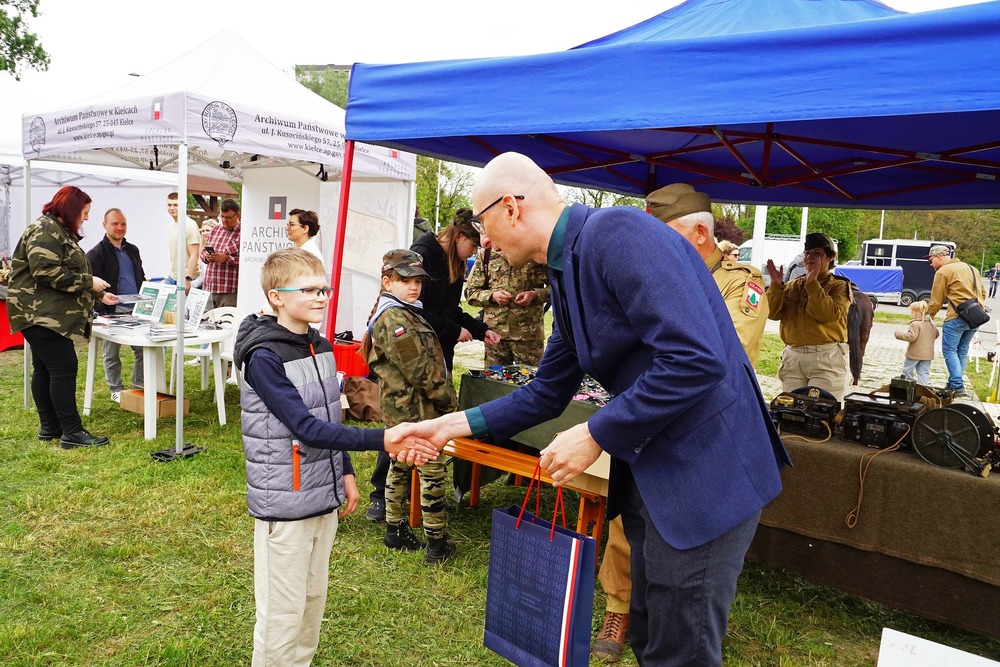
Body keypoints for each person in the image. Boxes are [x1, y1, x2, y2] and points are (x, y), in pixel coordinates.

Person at [391, 152, 789, 667]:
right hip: (655, 472)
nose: (483, 240)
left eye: (483, 223)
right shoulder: (568, 265)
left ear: (511, 207)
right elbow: (546, 391)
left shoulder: (617, 234)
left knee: (681, 651)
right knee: (650, 636)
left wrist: (596, 433)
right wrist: (448, 425)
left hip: (706, 476)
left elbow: (696, 360)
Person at [581, 183, 771, 663]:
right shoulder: (645, 270)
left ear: (700, 233)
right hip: (645, 430)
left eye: (661, 235)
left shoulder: (739, 282)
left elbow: (717, 353)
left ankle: (677, 623)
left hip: (699, 439)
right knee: (629, 533)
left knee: (684, 577)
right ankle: (620, 608)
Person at [231, 247, 438, 667]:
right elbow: (305, 428)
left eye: (323, 289)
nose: (321, 297)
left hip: (321, 495)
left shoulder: (320, 345)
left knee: (311, 600)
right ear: (276, 297)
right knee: (282, 613)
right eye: (308, 290)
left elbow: (329, 415)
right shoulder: (263, 357)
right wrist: (385, 439)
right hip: (286, 501)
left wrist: (343, 471)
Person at [365, 211, 500, 523]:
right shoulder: (424, 255)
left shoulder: (450, 262)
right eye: (473, 245)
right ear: (459, 237)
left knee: (422, 434)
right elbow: (419, 314)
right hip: (415, 365)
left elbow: (448, 309)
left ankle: (416, 498)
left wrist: (479, 329)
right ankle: (382, 497)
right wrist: (453, 332)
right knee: (400, 436)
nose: (475, 252)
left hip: (435, 352)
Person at [361, 249, 459, 565]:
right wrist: (449, 404)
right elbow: (421, 372)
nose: (414, 287)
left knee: (400, 465)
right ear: (387, 282)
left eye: (417, 280)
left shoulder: (404, 311)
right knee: (431, 473)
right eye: (405, 280)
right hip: (417, 410)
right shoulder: (394, 318)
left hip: (404, 409)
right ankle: (437, 544)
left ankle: (395, 530)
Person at [7, 186, 120, 448]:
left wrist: (97, 294)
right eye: (85, 212)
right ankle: (72, 432)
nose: (86, 218)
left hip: (44, 314)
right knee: (63, 368)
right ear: (71, 209)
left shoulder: (57, 230)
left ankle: (50, 427)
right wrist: (89, 281)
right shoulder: (46, 230)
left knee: (46, 369)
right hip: (40, 314)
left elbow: (62, 271)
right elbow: (45, 272)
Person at [766, 232, 853, 401]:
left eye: (817, 254)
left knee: (823, 411)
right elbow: (772, 313)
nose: (810, 258)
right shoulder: (793, 285)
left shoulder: (839, 286)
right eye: (807, 253)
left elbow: (826, 315)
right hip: (793, 357)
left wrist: (812, 283)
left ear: (830, 257)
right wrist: (776, 286)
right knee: (792, 412)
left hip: (825, 358)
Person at [85, 208, 146, 404]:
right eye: (115, 224)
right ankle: (116, 390)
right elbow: (91, 285)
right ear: (104, 225)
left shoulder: (133, 250)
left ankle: (139, 388)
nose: (120, 227)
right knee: (111, 352)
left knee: (143, 349)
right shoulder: (95, 254)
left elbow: (140, 275)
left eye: (123, 224)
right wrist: (101, 302)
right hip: (111, 311)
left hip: (137, 308)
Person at [465, 238, 550, 367]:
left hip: (528, 336)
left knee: (531, 378)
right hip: (495, 335)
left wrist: (535, 295)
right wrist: (492, 296)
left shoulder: (535, 251)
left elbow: (559, 289)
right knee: (494, 377)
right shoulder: (487, 254)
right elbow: (470, 292)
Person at [926, 244, 987, 397]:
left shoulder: (943, 271)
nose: (931, 264)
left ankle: (957, 385)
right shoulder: (972, 268)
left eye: (931, 260)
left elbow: (936, 300)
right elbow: (983, 293)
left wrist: (928, 316)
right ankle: (953, 384)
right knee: (962, 350)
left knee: (949, 350)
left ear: (939, 257)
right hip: (975, 317)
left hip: (956, 317)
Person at [201, 198, 241, 309]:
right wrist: (207, 257)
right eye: (222, 216)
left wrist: (227, 259)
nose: (224, 220)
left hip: (229, 292)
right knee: (206, 319)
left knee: (227, 319)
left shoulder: (244, 232)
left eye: (228, 217)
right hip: (209, 288)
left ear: (238, 215)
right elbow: (203, 251)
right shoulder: (216, 229)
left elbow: (247, 262)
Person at [894, 300, 939, 386]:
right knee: (924, 372)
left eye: (911, 312)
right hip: (927, 355)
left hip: (914, 354)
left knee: (907, 371)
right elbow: (936, 334)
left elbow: (911, 337)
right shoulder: (931, 324)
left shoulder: (915, 324)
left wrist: (898, 335)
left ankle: (908, 387)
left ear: (915, 313)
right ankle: (922, 389)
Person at [165, 192, 202, 294]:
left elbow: (194, 254)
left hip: (187, 278)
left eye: (175, 205)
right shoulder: (171, 224)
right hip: (173, 276)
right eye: (169, 205)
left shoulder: (190, 225)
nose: (172, 208)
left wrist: (187, 279)